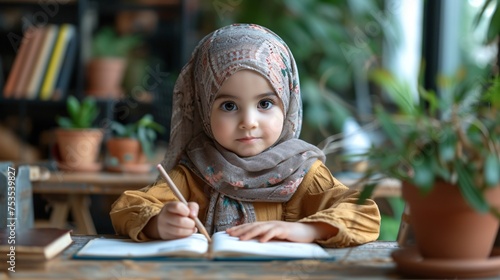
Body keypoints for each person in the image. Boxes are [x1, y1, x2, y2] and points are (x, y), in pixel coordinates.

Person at [110, 23, 380, 247]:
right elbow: (126, 207)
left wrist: (309, 231)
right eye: (229, 106)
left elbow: (364, 213)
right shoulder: (193, 172)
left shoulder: (303, 173)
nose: (248, 122)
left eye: (265, 104)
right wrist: (159, 222)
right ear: (204, 109)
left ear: (287, 104)